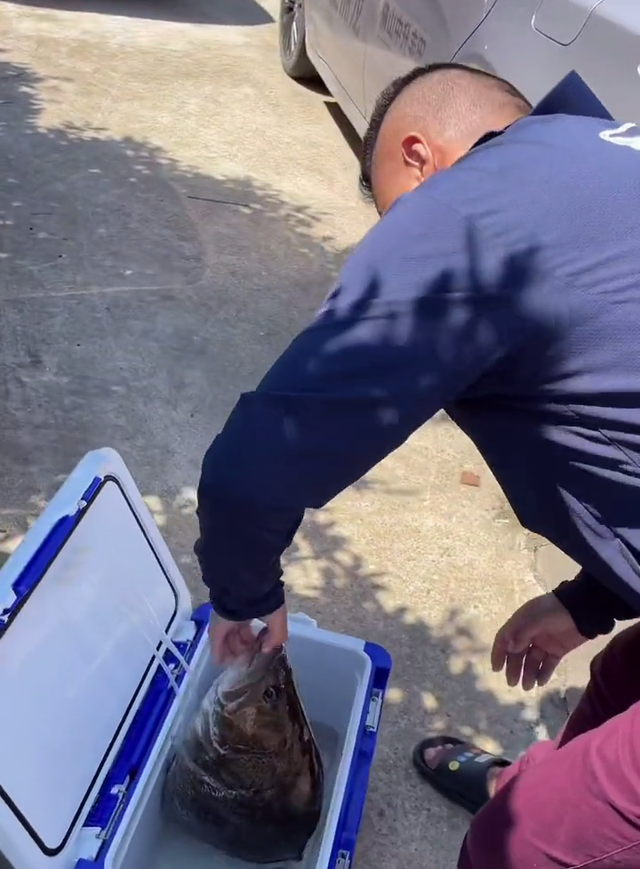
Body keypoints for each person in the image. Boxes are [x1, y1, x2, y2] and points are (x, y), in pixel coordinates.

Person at [194, 62, 640, 867]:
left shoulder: (476, 205)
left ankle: (545, 814)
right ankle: (546, 786)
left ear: (419, 156)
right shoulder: (597, 158)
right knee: (621, 680)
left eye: (390, 211)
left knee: (523, 844)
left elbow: (255, 465)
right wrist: (590, 600)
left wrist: (245, 599)